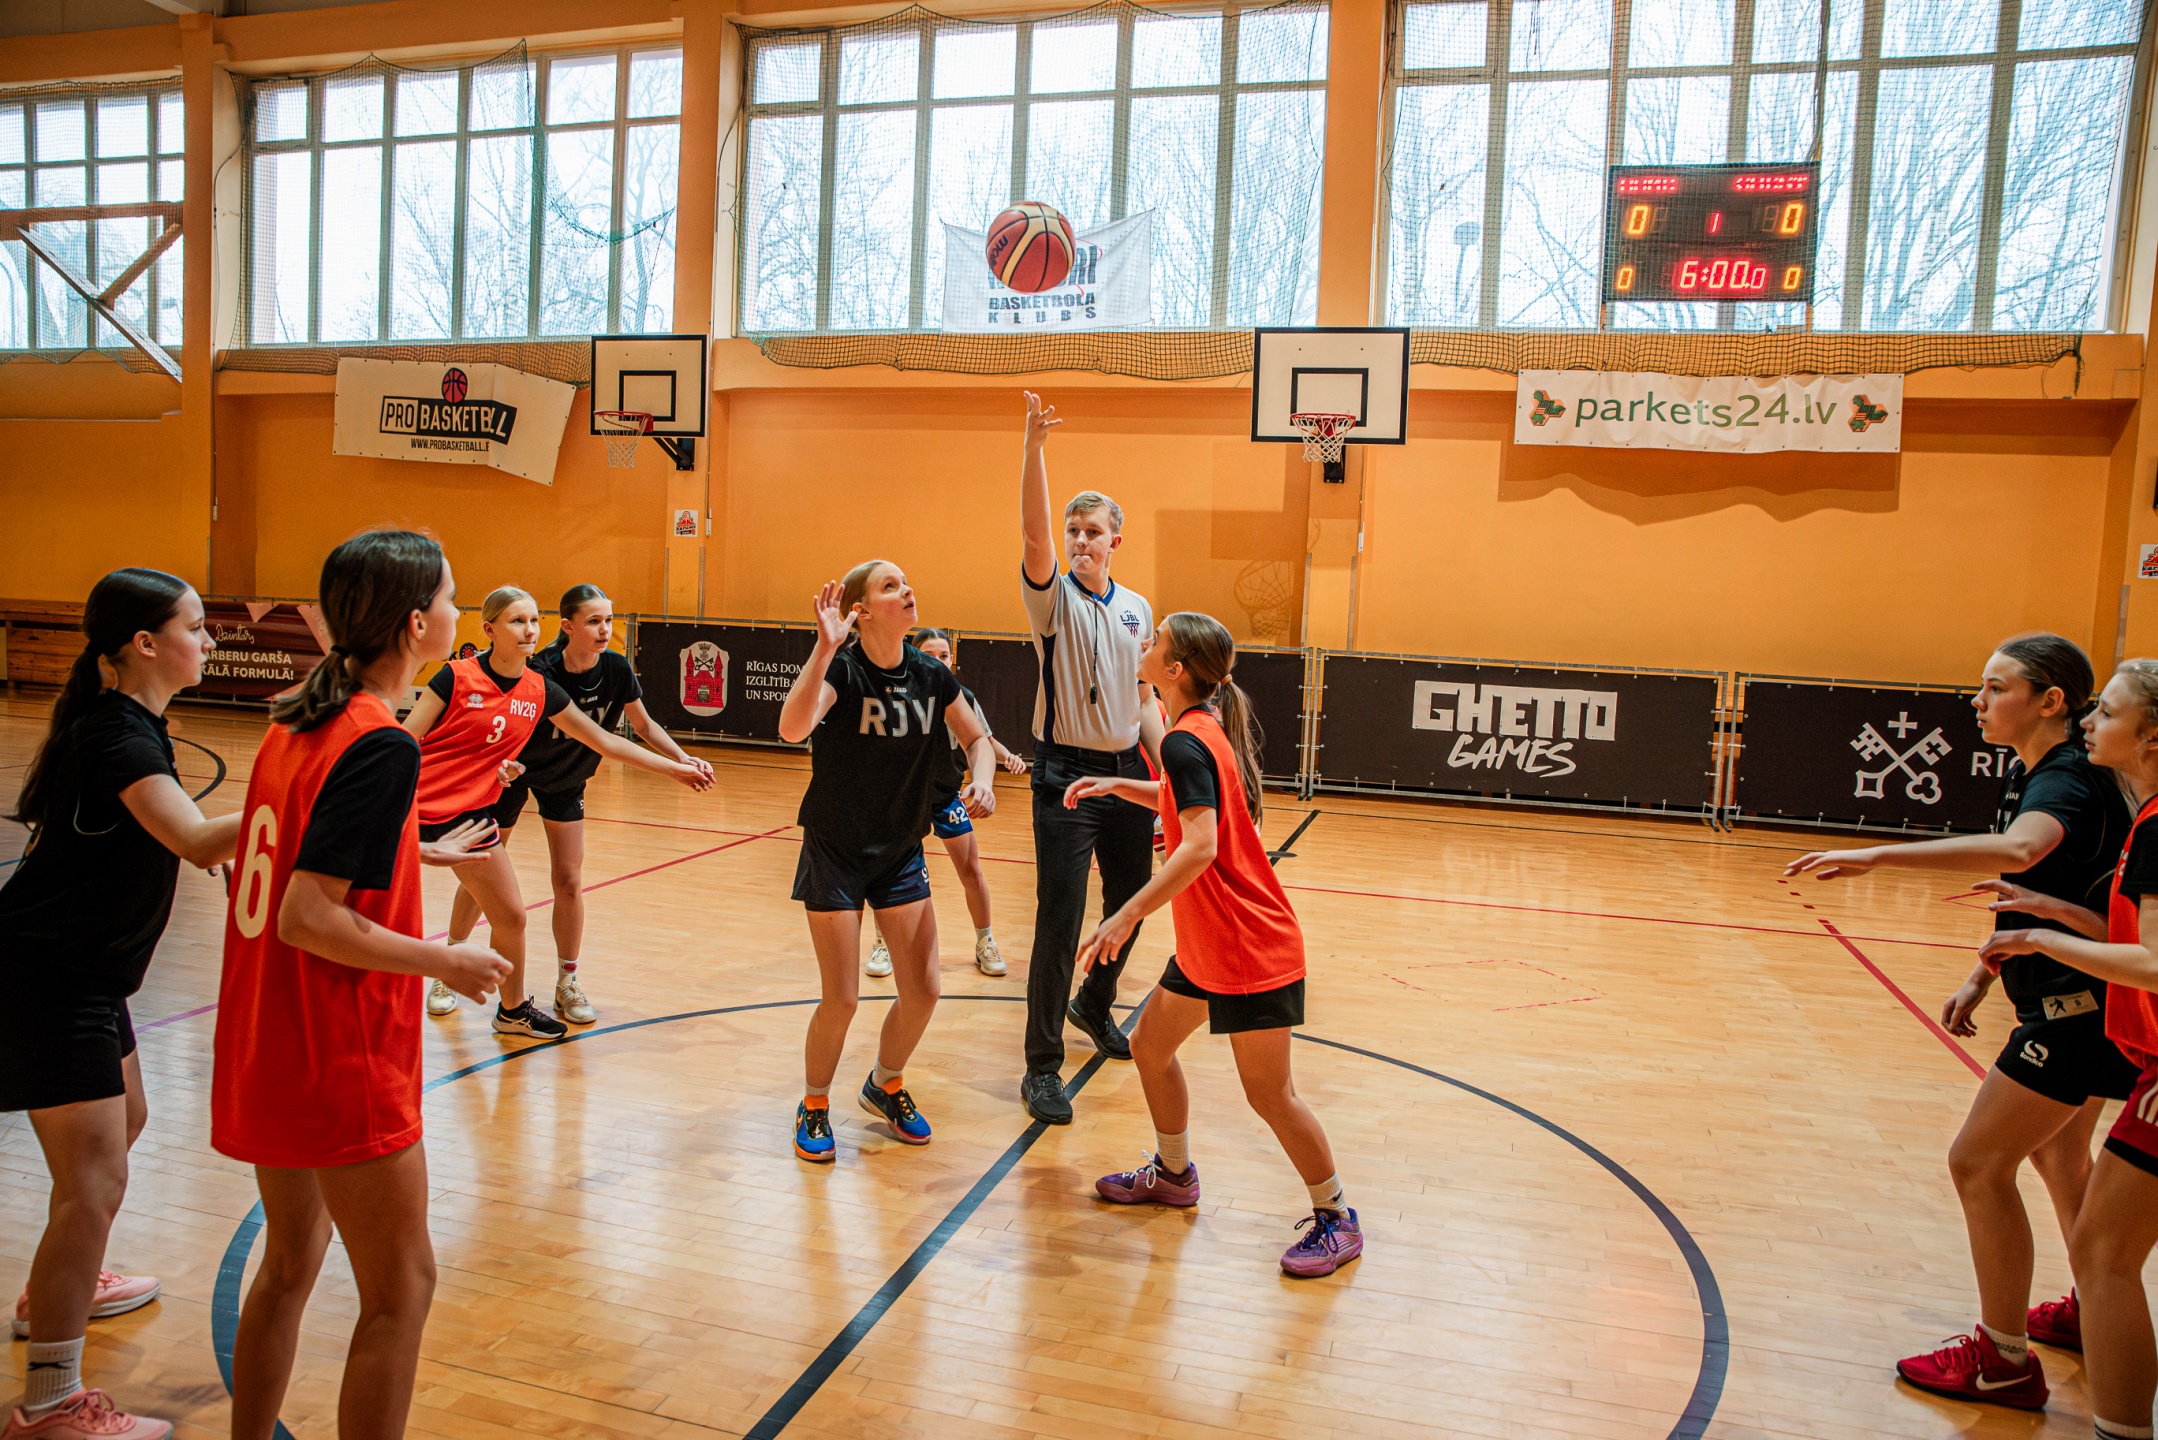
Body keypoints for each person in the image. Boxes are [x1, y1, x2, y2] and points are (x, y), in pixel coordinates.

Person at [211, 530, 512, 1440]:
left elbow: (309, 848)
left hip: (268, 1038)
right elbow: (308, 914)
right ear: (416, 624)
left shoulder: (296, 720)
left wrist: (417, 849)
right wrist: (444, 958)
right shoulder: (381, 744)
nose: (459, 616)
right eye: (451, 600)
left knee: (287, 1268)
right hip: (337, 1050)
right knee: (402, 1288)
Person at [1786, 633, 2135, 1410]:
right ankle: (2094, 1307)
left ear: (2050, 700)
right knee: (2058, 1155)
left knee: (1978, 1163)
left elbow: (2023, 852)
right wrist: (1985, 971)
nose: (1977, 701)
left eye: (1996, 687)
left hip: (2077, 1012)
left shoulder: (2066, 779)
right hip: (2077, 998)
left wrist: (1878, 856)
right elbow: (2038, 889)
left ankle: (2002, 1361)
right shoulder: (2039, 771)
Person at [0, 571, 242, 1440]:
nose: (207, 641)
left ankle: (57, 1285)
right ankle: (50, 1404)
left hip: (87, 978)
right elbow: (194, 834)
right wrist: (313, 793)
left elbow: (172, 839)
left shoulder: (132, 724)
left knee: (123, 1129)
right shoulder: (117, 735)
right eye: (196, 627)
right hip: (47, 980)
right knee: (93, 1184)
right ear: (145, 643)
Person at [1066, 612, 1361, 1277]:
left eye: (1156, 642)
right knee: (1149, 1047)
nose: (1144, 646)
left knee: (1271, 1096)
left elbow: (1199, 845)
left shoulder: (1185, 741)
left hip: (1247, 947)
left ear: (1174, 671)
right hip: (1210, 946)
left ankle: (1338, 1217)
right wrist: (1120, 785)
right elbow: (1182, 804)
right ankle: (1174, 1174)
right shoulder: (1198, 728)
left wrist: (1124, 915)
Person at [1982, 660, 2158, 1440]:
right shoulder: (2137, 812)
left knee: (2102, 1255)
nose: (2092, 721)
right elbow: (2120, 928)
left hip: (2105, 1036)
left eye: (2108, 713)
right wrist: (2045, 921)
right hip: (2133, 1051)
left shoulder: (2135, 817)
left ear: (2151, 738)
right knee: (2092, 1228)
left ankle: (2007, 1361)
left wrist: (2038, 937)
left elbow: (2151, 961)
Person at [405, 586, 709, 1037]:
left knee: (531, 902)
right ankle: (445, 967)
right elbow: (405, 740)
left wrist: (676, 767)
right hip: (448, 799)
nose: (529, 629)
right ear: (489, 629)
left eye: (533, 620)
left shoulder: (544, 688)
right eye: (517, 621)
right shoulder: (465, 676)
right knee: (387, 910)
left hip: (509, 799)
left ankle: (532, 1000)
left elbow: (609, 739)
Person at [776, 563, 997, 1164]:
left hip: (900, 849)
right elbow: (792, 729)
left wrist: (982, 779)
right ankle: (814, 1102)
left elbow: (978, 739)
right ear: (863, 611)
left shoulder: (931, 674)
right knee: (843, 998)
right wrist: (824, 648)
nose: (908, 590)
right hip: (836, 851)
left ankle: (885, 1082)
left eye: (907, 582)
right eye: (891, 585)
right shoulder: (842, 670)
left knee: (923, 991)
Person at [1016, 391, 1164, 1126]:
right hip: (1066, 774)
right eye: (1073, 531)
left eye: (1092, 532)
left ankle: (1094, 1003)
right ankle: (1041, 1066)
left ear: (1115, 541)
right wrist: (1033, 449)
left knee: (1133, 897)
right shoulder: (1053, 600)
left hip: (1128, 770)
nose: (1079, 540)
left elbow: (1145, 699)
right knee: (1061, 915)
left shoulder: (1138, 608)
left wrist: (1169, 772)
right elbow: (1032, 534)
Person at [862, 627, 1028, 981]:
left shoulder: (961, 697)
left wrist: (1000, 764)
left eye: (944, 655)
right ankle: (882, 943)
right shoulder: (895, 695)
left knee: (970, 869)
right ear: (913, 656)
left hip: (944, 793)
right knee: (886, 872)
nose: (938, 661)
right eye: (930, 655)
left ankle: (985, 942)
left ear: (952, 661)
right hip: (901, 796)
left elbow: (982, 740)